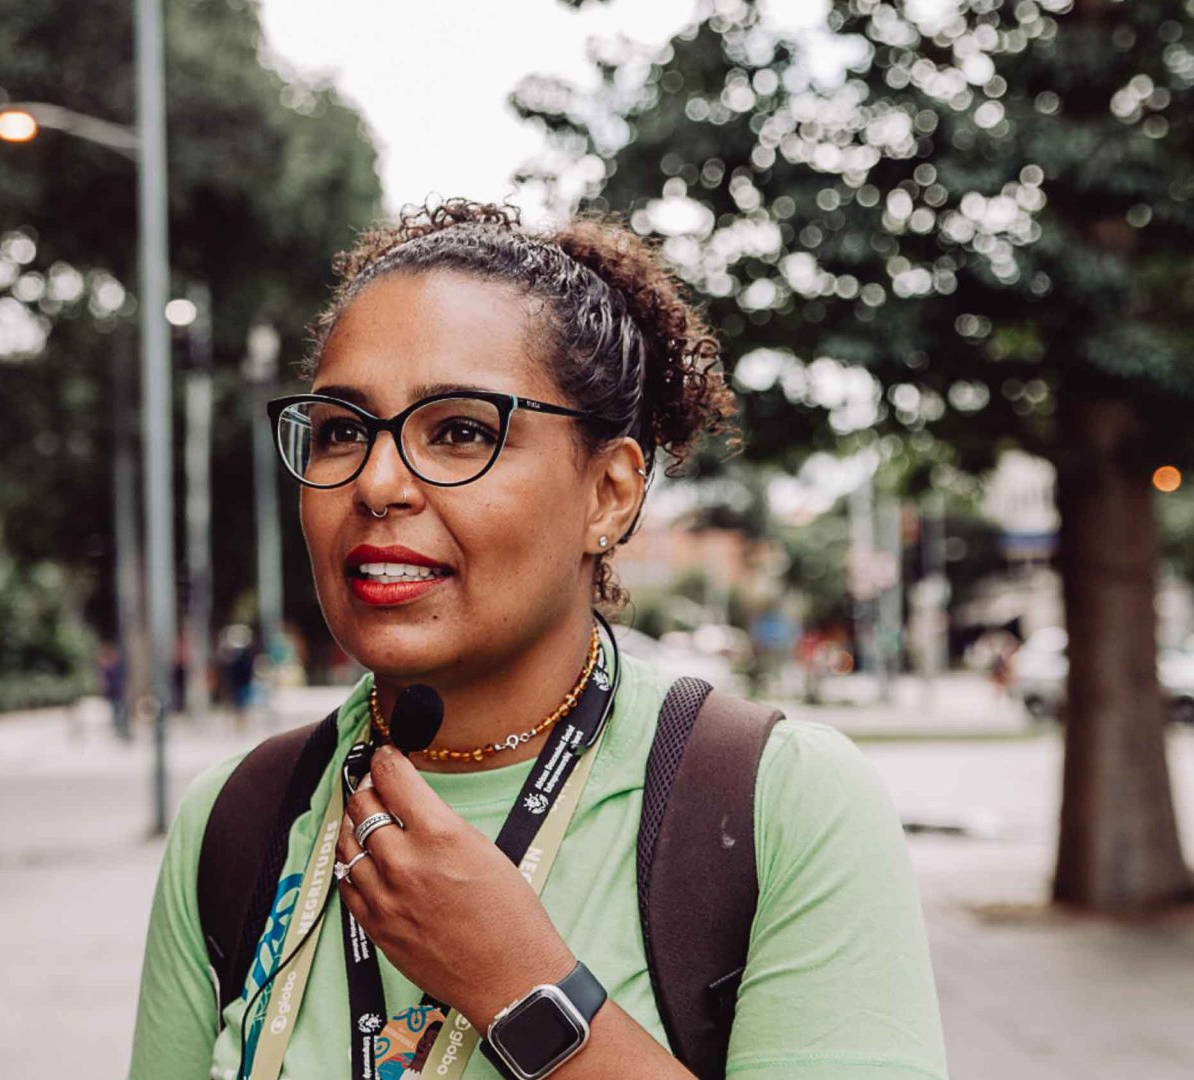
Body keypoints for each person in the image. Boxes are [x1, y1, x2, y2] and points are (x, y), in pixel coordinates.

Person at [128, 200, 948, 1080]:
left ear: (610, 494)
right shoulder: (239, 821)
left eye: (461, 431)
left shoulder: (781, 804)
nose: (376, 482)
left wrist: (520, 986)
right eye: (341, 431)